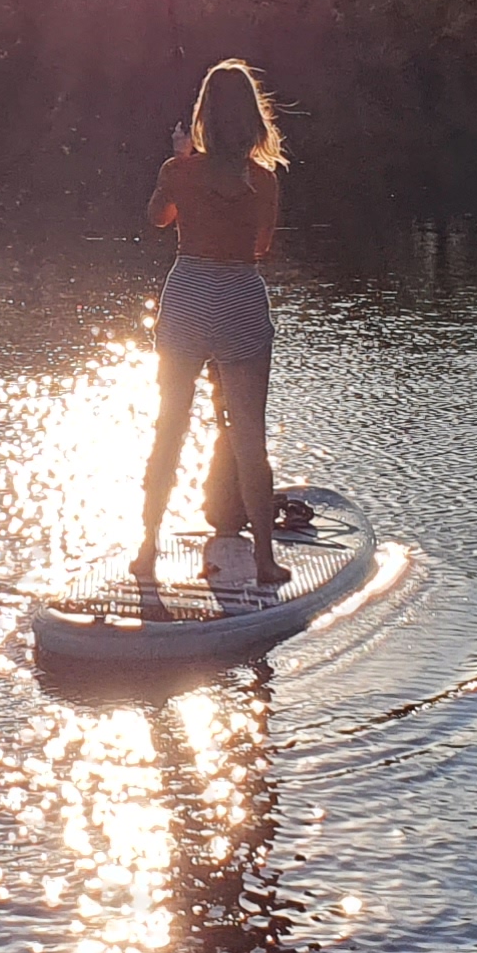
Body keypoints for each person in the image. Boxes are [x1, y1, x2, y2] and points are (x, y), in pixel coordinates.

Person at [134, 60, 290, 589]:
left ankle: (146, 549)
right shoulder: (264, 182)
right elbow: (260, 248)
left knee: (170, 426)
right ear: (251, 118)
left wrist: (182, 163)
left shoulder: (177, 171)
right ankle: (266, 560)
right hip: (239, 296)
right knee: (250, 437)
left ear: (202, 116)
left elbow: (157, 217)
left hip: (188, 294)